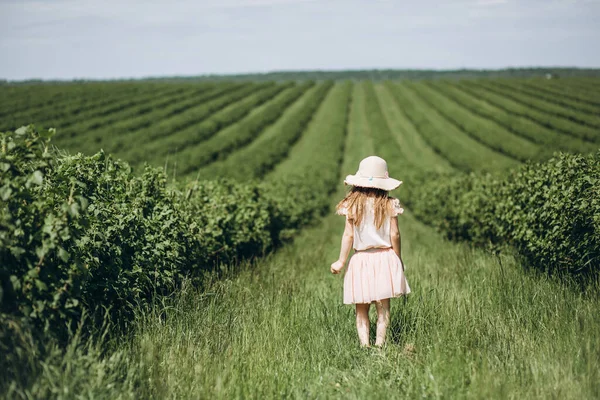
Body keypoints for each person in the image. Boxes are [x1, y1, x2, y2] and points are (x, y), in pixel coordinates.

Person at [330, 156, 411, 348]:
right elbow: (395, 234)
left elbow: (348, 235)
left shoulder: (352, 205)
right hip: (385, 257)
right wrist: (397, 259)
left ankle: (364, 345)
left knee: (361, 308)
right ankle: (380, 345)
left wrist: (341, 261)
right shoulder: (389, 204)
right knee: (383, 308)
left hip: (361, 260)